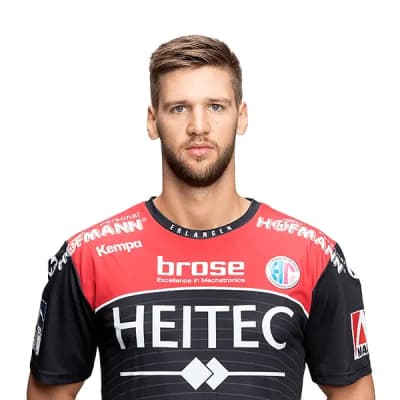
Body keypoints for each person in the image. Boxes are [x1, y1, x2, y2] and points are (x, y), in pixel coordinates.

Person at [27, 34, 374, 400]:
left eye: (216, 107)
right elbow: (49, 395)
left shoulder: (312, 255)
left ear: (241, 116)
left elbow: (353, 394)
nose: (199, 126)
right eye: (179, 108)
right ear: (152, 121)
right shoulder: (89, 257)